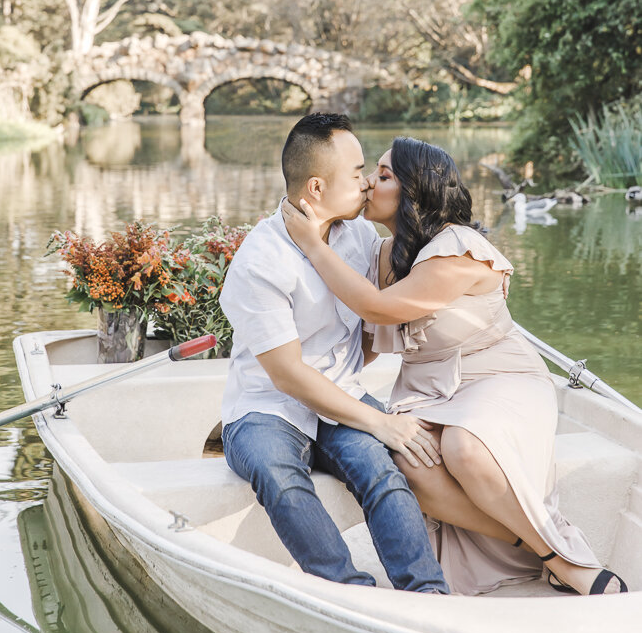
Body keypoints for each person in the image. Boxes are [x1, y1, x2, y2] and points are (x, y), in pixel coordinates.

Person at [282, 136, 628, 597]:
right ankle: (532, 546)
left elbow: (382, 310)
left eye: (382, 176)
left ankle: (565, 562)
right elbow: (365, 343)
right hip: (427, 390)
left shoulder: (458, 248)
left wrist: (311, 245)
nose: (367, 183)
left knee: (464, 447)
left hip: (497, 377)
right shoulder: (382, 256)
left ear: (415, 191)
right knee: (405, 459)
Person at [219, 114, 448, 593]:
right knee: (277, 472)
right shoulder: (261, 259)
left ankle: (429, 595)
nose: (367, 183)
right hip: (267, 408)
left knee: (382, 470)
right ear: (317, 187)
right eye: (357, 172)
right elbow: (287, 376)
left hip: (342, 395)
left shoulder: (361, 239)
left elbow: (368, 335)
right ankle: (349, 594)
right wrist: (380, 420)